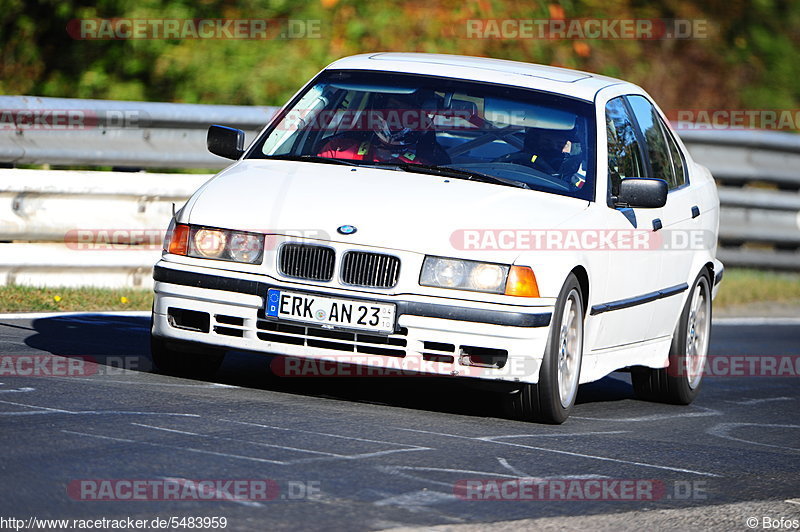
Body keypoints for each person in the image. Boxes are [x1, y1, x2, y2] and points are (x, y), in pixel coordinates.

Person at [316, 92, 450, 166]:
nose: (397, 118)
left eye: (407, 113)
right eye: (393, 109)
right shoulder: (338, 150)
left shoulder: (430, 167)